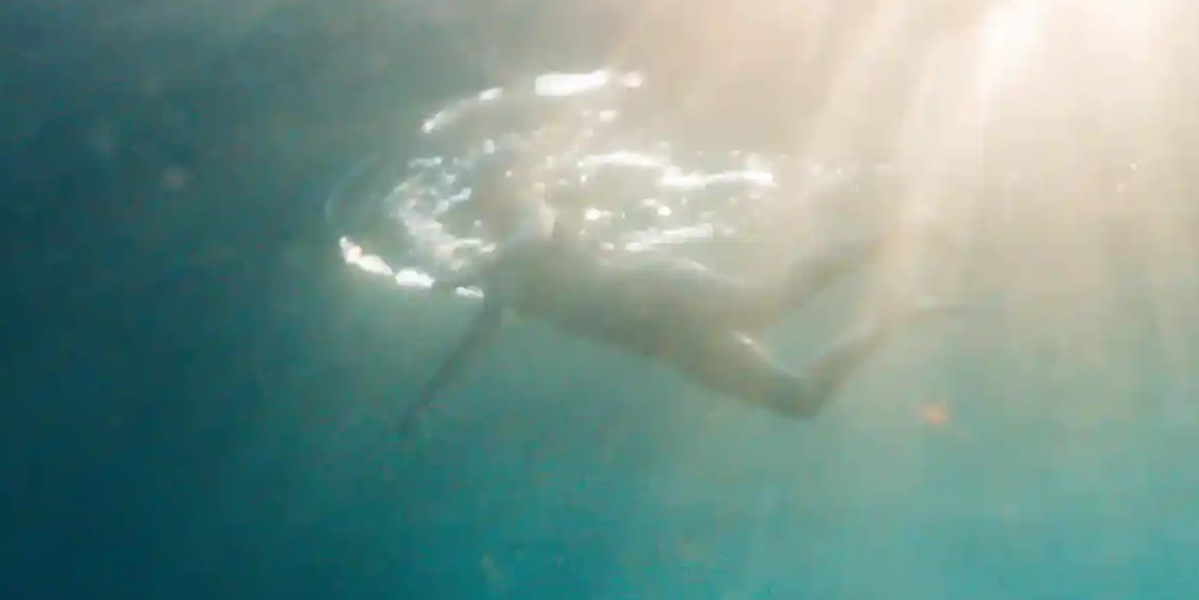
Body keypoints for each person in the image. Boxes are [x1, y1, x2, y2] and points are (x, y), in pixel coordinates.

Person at [399, 198, 953, 429]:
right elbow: (472, 344)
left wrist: (470, 269)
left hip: (663, 292)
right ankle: (889, 322)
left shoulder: (531, 230)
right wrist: (423, 402)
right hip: (668, 343)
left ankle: (899, 234)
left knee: (768, 304)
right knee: (799, 402)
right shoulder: (504, 283)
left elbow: (533, 227)